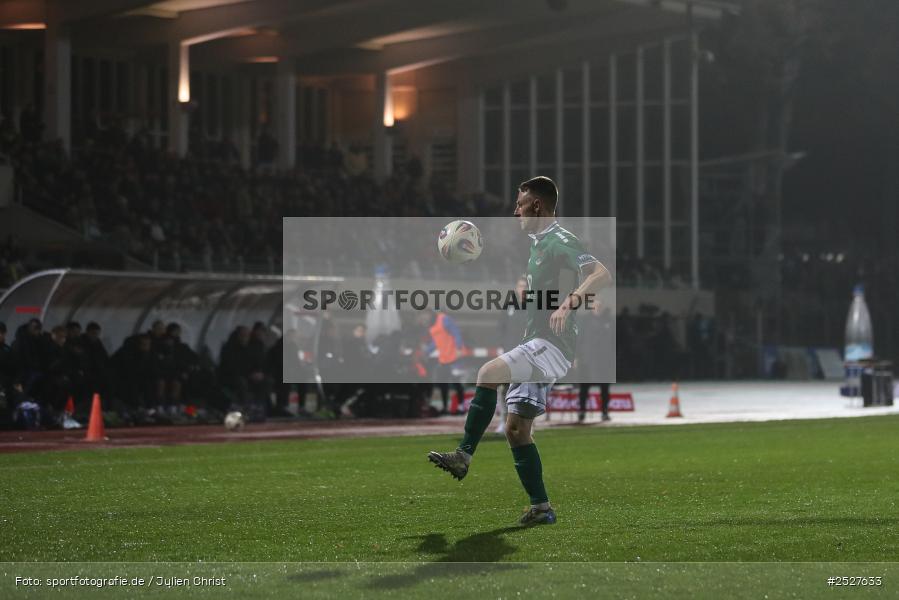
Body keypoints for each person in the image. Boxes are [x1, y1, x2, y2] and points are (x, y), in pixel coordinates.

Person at [428, 176, 612, 526]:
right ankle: (541, 508)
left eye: (520, 204)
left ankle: (463, 456)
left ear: (537, 206)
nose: (515, 211)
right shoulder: (539, 244)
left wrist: (568, 304)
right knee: (516, 430)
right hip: (538, 343)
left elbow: (601, 274)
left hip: (551, 345)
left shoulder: (560, 240)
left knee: (487, 373)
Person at [419, 310, 466, 415]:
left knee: (456, 383)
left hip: (455, 357)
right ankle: (445, 408)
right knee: (443, 384)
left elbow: (456, 332)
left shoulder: (444, 319)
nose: (424, 321)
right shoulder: (431, 326)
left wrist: (458, 348)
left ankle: (461, 407)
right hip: (444, 358)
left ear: (429, 314)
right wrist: (426, 351)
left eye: (424, 318)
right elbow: (436, 342)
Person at [577, 304, 614, 423]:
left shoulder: (608, 320)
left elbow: (612, 340)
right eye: (595, 305)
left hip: (603, 361)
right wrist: (577, 357)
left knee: (605, 388)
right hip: (587, 360)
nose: (598, 307)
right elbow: (579, 340)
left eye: (600, 305)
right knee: (584, 387)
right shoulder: (585, 320)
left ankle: (604, 412)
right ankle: (582, 411)